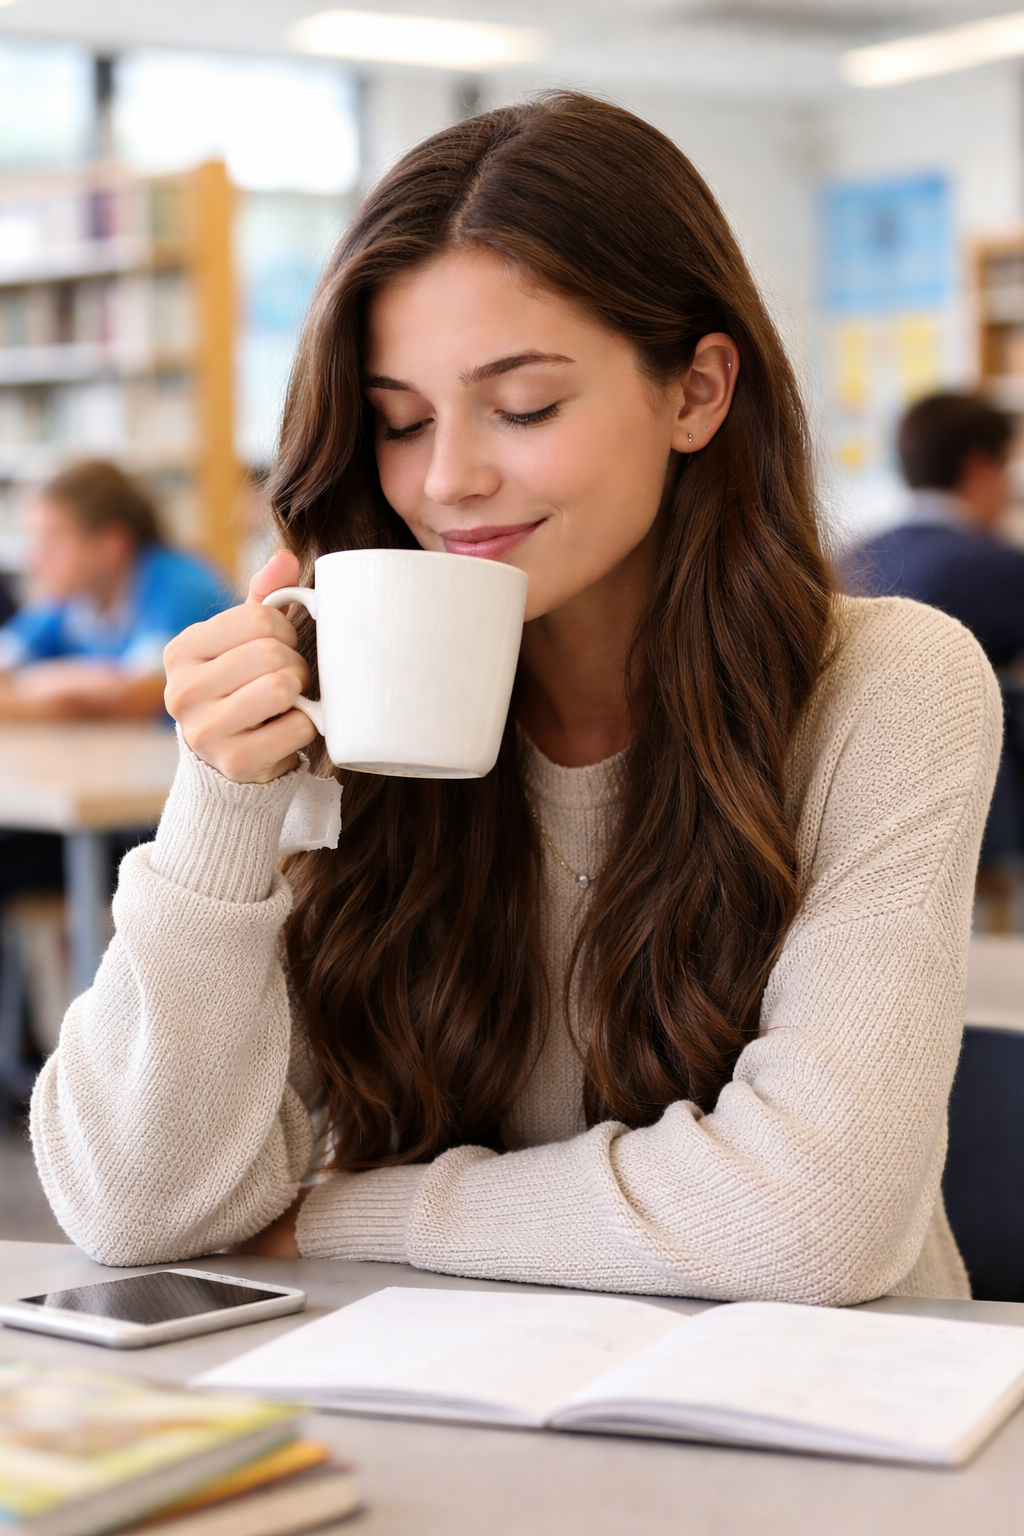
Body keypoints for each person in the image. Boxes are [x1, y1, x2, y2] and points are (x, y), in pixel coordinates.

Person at [31, 95, 1000, 1305]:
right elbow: (133, 1208)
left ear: (696, 392)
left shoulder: (889, 681)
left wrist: (339, 1215)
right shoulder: (343, 705)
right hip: (450, 1425)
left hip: (818, 1447)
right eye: (397, 420)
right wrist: (222, 799)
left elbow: (812, 1220)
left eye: (525, 405)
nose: (447, 478)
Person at [842, 394, 1024, 867]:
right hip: (966, 805)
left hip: (851, 801)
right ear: (981, 467)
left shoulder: (851, 558)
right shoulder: (996, 564)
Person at [0, 459, 232, 720]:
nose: (33, 559)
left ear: (110, 544)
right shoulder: (72, 600)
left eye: (52, 540)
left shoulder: (180, 586)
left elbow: (136, 696)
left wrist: (31, 686)